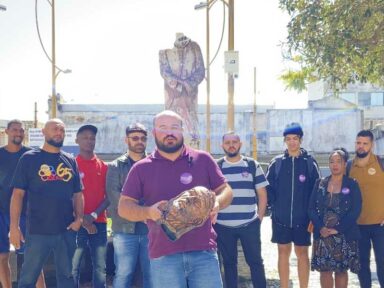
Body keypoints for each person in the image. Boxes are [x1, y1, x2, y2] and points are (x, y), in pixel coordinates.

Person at [118, 110, 233, 288]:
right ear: (155, 132)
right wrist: (148, 212)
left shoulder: (202, 159)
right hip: (163, 255)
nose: (169, 133)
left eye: (174, 127)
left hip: (203, 251)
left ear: (182, 131)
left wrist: (216, 202)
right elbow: (123, 207)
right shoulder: (141, 168)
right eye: (163, 128)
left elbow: (226, 190)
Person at [9, 118, 84, 288]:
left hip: (66, 231)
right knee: (28, 279)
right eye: (55, 129)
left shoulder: (70, 160)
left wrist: (79, 219)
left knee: (67, 279)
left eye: (62, 130)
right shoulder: (29, 159)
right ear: (43, 132)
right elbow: (17, 195)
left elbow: (78, 194)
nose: (59, 133)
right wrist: (14, 227)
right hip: (37, 232)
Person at [266, 122, 320, 288]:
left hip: (303, 219)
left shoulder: (310, 163)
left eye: (295, 138)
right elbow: (268, 188)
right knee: (283, 252)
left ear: (301, 140)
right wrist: (274, 207)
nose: (292, 142)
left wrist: (314, 217)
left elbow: (317, 191)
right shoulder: (277, 163)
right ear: (285, 141)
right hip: (281, 218)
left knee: (302, 253)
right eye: (288, 139)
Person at [215, 131, 268, 288]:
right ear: (222, 145)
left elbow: (262, 194)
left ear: (240, 144)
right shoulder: (217, 167)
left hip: (249, 224)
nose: (231, 145)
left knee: (256, 262)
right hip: (223, 226)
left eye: (234, 142)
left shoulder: (252, 165)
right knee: (229, 264)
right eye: (227, 142)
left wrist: (259, 218)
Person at [0, 120, 45, 288]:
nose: (18, 133)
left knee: (32, 259)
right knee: (2, 257)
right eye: (14, 130)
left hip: (26, 213)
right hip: (1, 213)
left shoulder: (31, 156)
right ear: (6, 132)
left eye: (21, 130)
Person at [106, 123, 151, 288]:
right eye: (135, 138)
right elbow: (115, 198)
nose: (139, 141)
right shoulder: (115, 166)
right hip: (124, 231)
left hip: (150, 230)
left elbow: (158, 194)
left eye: (143, 138)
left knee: (151, 274)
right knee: (123, 275)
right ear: (126, 140)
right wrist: (145, 213)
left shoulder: (154, 164)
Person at [309, 148, 362, 288]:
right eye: (332, 161)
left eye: (339, 161)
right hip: (323, 236)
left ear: (345, 164)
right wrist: (320, 228)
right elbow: (311, 209)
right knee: (324, 272)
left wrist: (337, 229)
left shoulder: (352, 184)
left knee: (341, 272)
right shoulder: (319, 183)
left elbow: (356, 210)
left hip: (344, 236)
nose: (335, 164)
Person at [72, 124, 109, 288]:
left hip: (98, 223)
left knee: (100, 268)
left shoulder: (104, 166)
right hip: (75, 223)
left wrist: (92, 216)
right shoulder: (70, 165)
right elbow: (67, 196)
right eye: (85, 137)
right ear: (77, 140)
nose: (89, 141)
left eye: (92, 138)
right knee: (73, 266)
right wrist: (81, 219)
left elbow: (110, 197)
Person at [347, 130, 384, 288]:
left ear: (372, 145)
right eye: (358, 143)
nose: (360, 146)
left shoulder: (381, 163)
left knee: (382, 264)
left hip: (380, 225)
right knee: (362, 265)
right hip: (358, 226)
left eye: (365, 143)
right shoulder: (349, 166)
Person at [159, 33, 205, 148]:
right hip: (172, 97)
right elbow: (164, 71)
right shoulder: (164, 52)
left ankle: (192, 145)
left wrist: (187, 85)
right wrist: (177, 86)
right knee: (172, 121)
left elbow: (200, 71)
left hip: (190, 97)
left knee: (191, 125)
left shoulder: (194, 48)